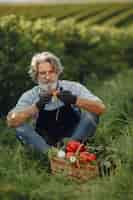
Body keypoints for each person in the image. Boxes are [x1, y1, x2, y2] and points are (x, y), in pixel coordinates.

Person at [7, 51, 106, 153]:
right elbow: (11, 121)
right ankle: (52, 155)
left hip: (74, 136)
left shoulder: (73, 87)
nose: (48, 77)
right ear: (36, 76)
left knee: (91, 114)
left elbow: (101, 108)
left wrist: (75, 100)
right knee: (20, 127)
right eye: (42, 73)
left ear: (58, 72)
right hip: (45, 141)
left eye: (51, 72)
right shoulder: (30, 95)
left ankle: (69, 150)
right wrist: (36, 107)